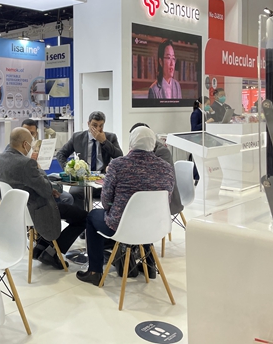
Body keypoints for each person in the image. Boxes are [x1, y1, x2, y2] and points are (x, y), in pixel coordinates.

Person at [76, 126, 175, 286]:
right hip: (155, 227)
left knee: (93, 216)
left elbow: (105, 200)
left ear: (131, 142)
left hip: (122, 227)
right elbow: (166, 201)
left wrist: (112, 209)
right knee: (144, 217)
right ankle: (149, 266)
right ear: (153, 143)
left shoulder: (118, 165)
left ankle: (95, 271)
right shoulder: (166, 168)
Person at [0, 127, 87, 269]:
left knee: (65, 202)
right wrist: (38, 167)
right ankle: (52, 252)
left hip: (13, 210)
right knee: (83, 217)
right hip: (35, 210)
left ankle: (41, 247)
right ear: (25, 144)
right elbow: (46, 189)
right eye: (31, 143)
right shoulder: (26, 163)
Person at [56, 111, 123, 209]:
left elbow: (120, 157)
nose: (98, 129)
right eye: (94, 125)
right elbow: (60, 154)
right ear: (88, 124)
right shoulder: (77, 137)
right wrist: (69, 170)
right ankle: (81, 217)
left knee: (115, 192)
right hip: (83, 178)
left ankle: (106, 217)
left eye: (101, 126)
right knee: (74, 193)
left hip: (103, 178)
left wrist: (104, 142)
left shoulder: (110, 137)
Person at [129, 122, 183, 217]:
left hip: (164, 198)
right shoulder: (136, 149)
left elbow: (159, 178)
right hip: (146, 194)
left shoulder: (162, 151)